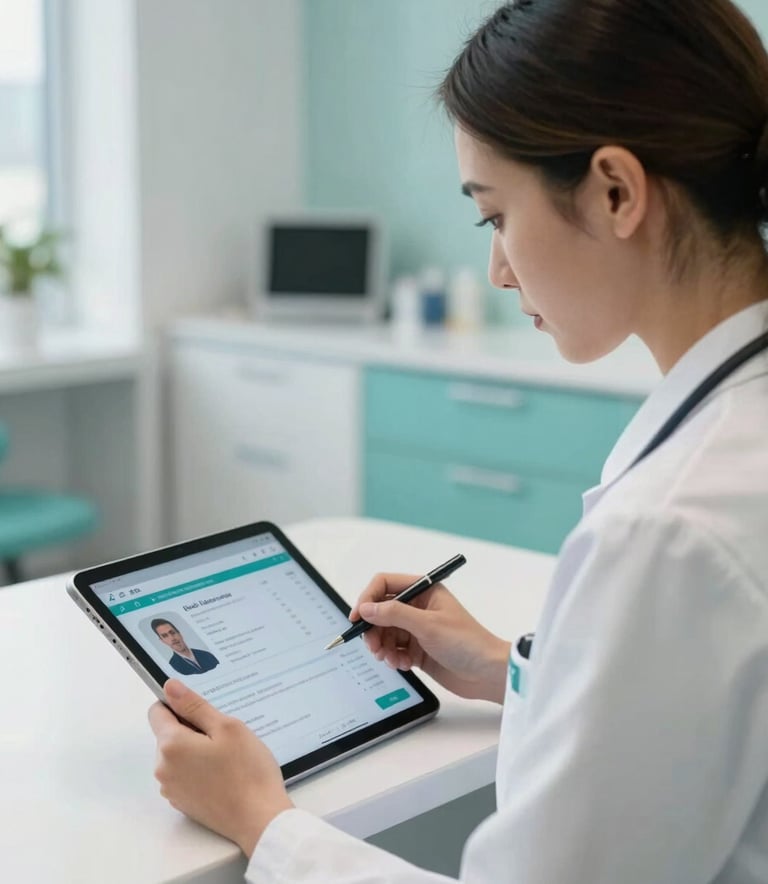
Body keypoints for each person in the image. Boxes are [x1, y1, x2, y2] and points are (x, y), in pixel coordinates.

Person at [148, 1, 768, 880]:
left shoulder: (671, 531)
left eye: (494, 216)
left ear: (616, 192)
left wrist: (262, 820)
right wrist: (510, 670)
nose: (498, 269)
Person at [150, 618, 219, 675]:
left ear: (179, 634)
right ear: (162, 641)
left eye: (173, 633)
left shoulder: (206, 655)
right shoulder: (172, 667)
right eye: (165, 636)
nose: (172, 638)